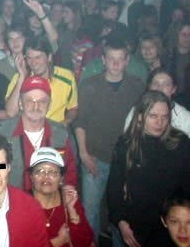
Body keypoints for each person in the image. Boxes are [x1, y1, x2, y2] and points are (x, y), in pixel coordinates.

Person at [74, 36, 146, 242]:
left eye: (120, 59)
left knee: (121, 213)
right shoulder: (89, 85)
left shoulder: (137, 86)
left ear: (127, 61)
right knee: (90, 210)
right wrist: (83, 153)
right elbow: (80, 122)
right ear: (103, 60)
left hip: (126, 160)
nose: (115, 64)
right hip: (95, 157)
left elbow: (142, 122)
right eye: (111, 59)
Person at [108, 90, 190, 246]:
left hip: (171, 226)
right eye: (153, 116)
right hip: (138, 224)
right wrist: (120, 221)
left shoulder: (181, 143)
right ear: (139, 116)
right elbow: (114, 186)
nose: (160, 122)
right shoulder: (126, 144)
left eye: (164, 117)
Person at [0, 75, 78, 192]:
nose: (36, 106)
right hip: (13, 201)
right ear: (20, 103)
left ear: (49, 105)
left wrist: (68, 194)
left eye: (42, 101)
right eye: (30, 101)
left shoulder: (60, 135)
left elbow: (69, 173)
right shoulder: (1, 134)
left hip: (48, 201)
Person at [4, 36, 78, 126]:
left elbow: (73, 108)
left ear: (49, 57)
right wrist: (22, 78)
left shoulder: (66, 77)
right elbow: (10, 113)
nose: (33, 63)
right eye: (29, 58)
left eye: (38, 57)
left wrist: (64, 123)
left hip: (55, 130)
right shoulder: (19, 78)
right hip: (27, 130)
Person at [29, 147, 94, 247]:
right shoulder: (22, 205)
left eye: (53, 172)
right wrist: (57, 242)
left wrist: (72, 213)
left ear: (61, 179)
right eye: (40, 171)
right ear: (31, 177)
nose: (46, 176)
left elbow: (85, 243)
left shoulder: (69, 200)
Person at [124, 67, 190, 137]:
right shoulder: (137, 110)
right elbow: (128, 138)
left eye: (166, 85)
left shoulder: (184, 117)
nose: (160, 89)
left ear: (173, 89)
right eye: (155, 84)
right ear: (149, 87)